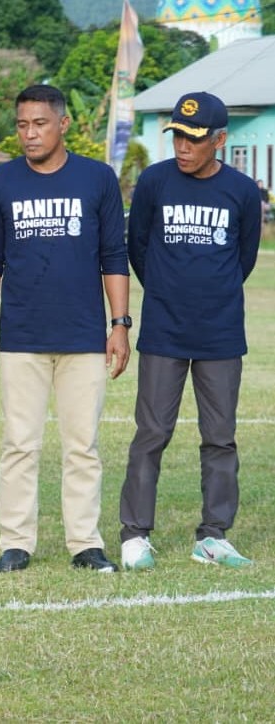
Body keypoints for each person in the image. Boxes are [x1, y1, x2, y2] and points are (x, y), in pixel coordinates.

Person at [0, 84, 131, 574]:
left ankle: (85, 542)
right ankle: (16, 542)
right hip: (22, 337)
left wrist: (120, 324)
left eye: (39, 123)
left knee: (82, 445)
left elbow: (113, 256)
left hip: (84, 337)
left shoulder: (97, 178)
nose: (29, 134)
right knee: (20, 443)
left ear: (62, 124)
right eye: (22, 125)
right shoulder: (1, 181)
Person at [118, 92, 262, 571]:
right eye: (178, 135)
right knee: (151, 432)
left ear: (219, 140)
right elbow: (137, 247)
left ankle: (213, 535)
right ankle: (135, 534)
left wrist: (210, 295)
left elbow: (242, 258)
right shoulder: (154, 182)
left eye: (194, 139)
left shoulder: (241, 191)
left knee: (220, 436)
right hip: (164, 331)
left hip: (221, 333)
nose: (183, 146)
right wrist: (166, 292)